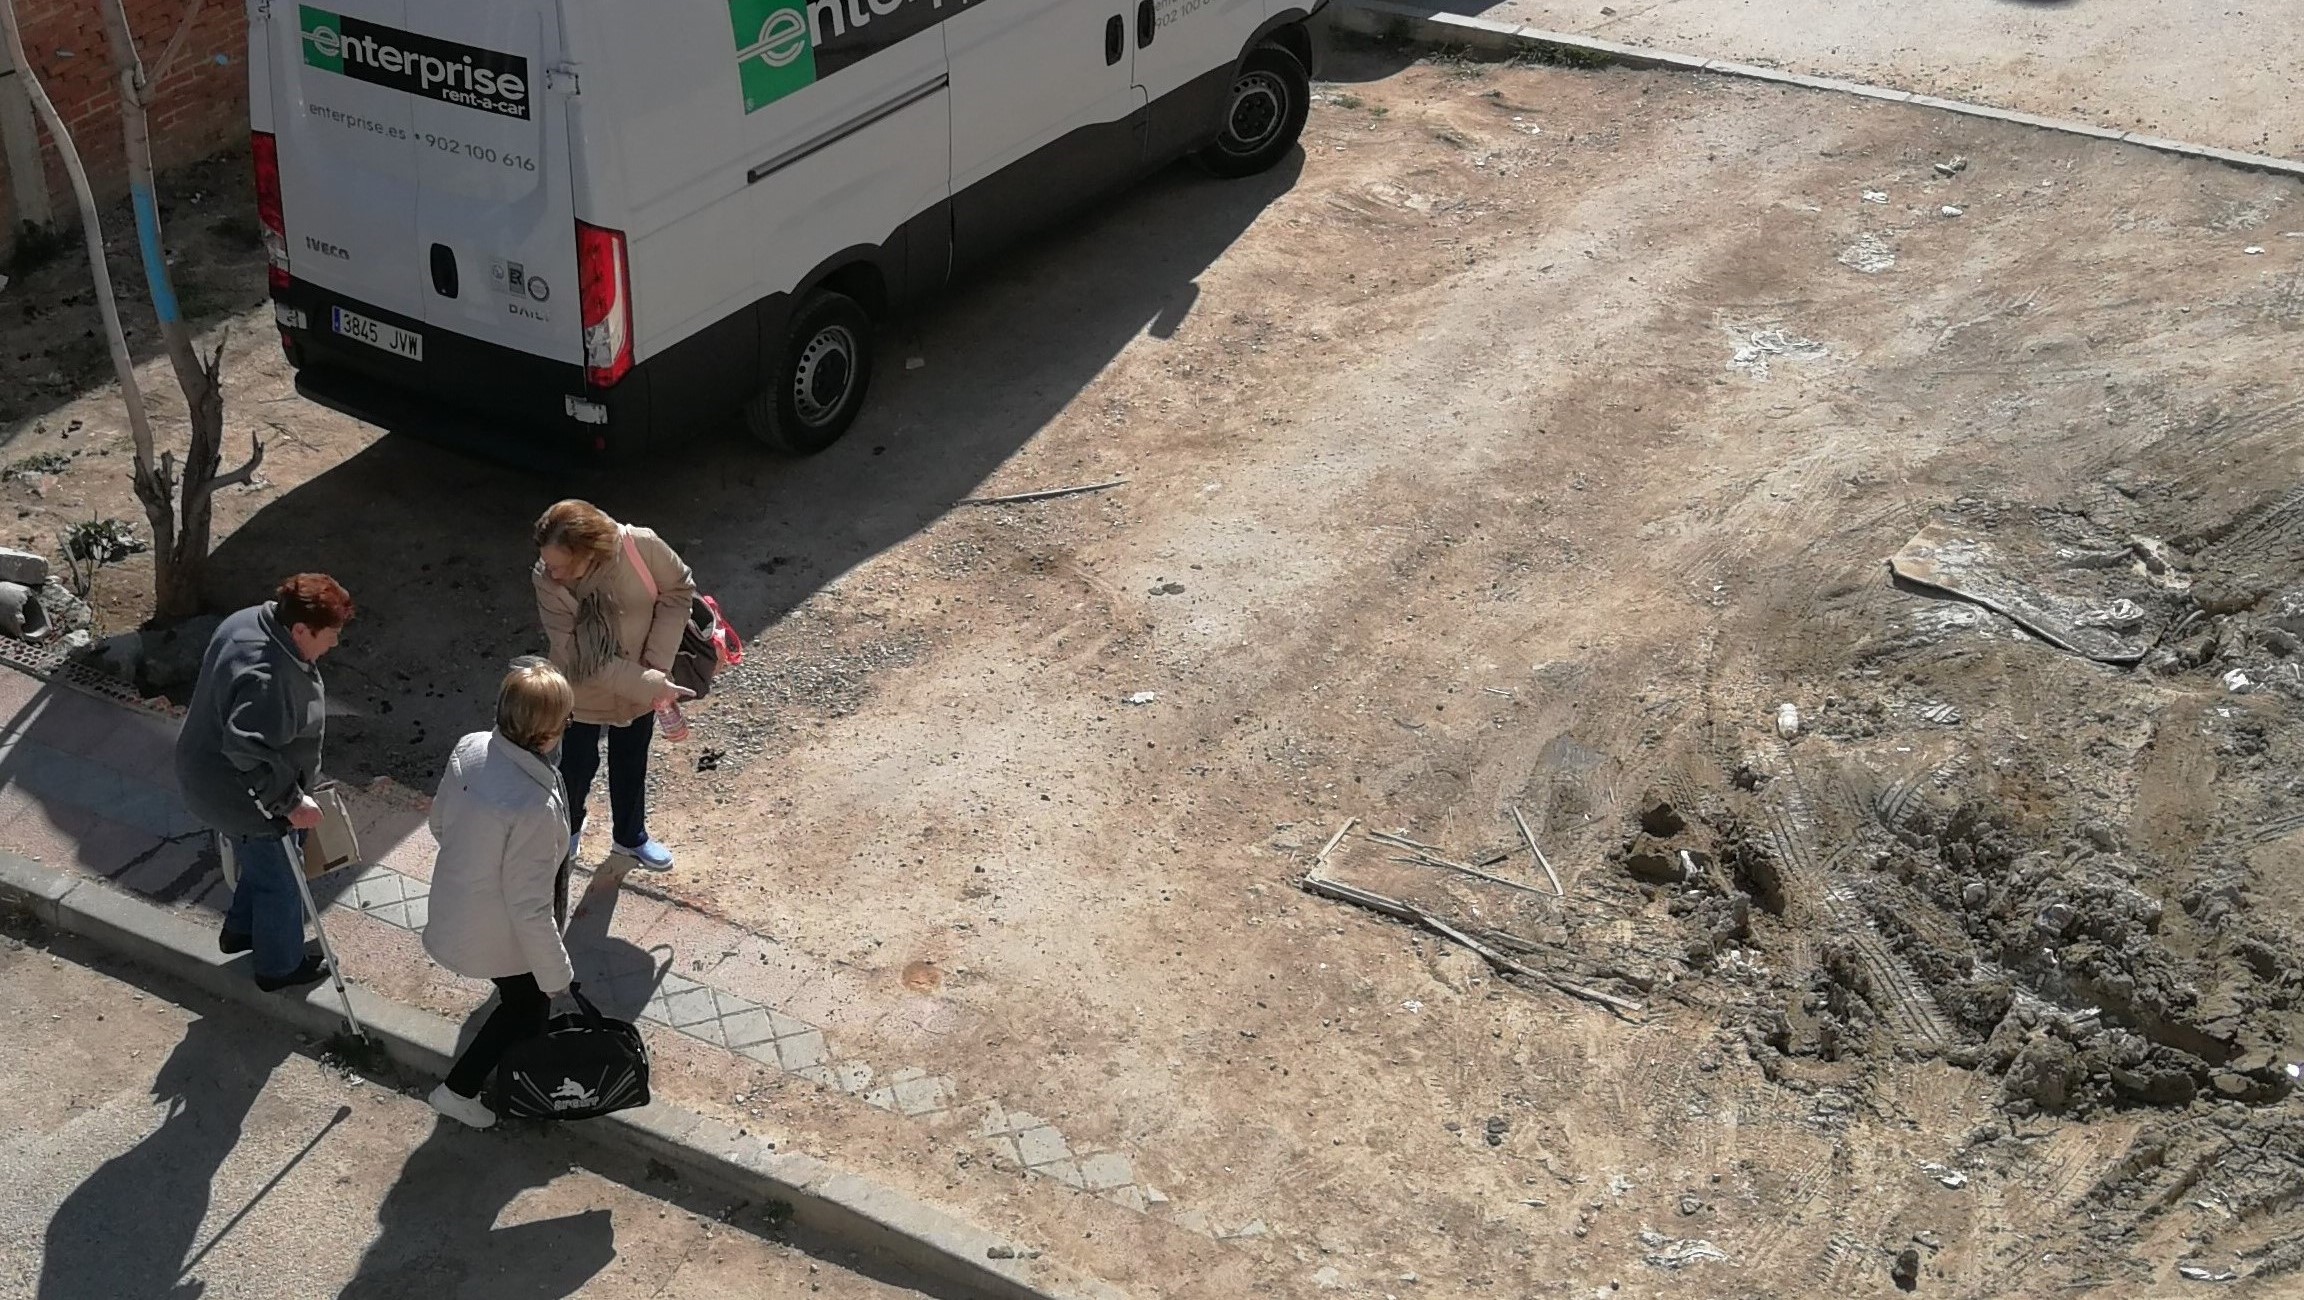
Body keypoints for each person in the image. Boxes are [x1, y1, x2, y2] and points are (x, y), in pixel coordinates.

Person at [174, 573, 354, 992]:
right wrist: (291, 803)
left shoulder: (249, 621)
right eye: (330, 635)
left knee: (260, 862)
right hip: (241, 794)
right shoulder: (269, 679)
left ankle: (241, 932)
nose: (334, 644)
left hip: (204, 774)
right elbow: (246, 752)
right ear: (299, 629)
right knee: (282, 880)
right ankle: (278, 967)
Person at [422, 657, 581, 1129]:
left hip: (460, 906)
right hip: (499, 929)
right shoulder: (532, 806)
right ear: (546, 731)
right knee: (528, 1001)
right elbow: (529, 906)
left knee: (524, 1004)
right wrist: (559, 975)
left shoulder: (471, 748)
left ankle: (521, 1084)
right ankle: (463, 1089)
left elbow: (438, 822)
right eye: (566, 719)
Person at [531, 499, 694, 871]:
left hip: (642, 684)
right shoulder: (545, 578)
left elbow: (678, 589)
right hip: (583, 691)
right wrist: (651, 682)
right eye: (548, 564)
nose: (550, 573)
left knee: (632, 760)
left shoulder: (641, 545)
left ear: (588, 552)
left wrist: (657, 661)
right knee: (575, 765)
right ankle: (569, 828)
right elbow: (577, 654)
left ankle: (630, 837)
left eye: (561, 565)